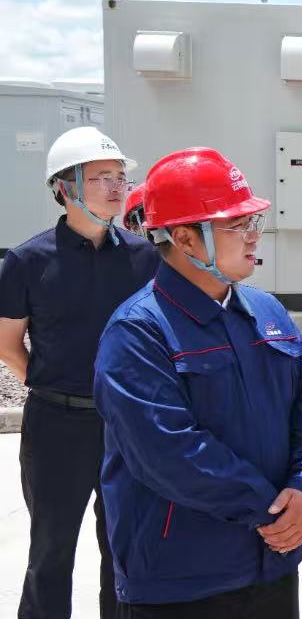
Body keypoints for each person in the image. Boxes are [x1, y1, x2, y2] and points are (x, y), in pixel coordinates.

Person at [93, 147, 302, 617]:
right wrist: (273, 508)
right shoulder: (137, 332)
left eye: (253, 221)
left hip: (271, 562)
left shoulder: (266, 311)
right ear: (185, 239)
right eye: (236, 225)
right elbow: (168, 452)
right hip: (181, 580)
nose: (254, 235)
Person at [0, 127, 158, 619]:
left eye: (120, 177)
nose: (117, 187)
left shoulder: (144, 258)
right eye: (101, 177)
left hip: (123, 425)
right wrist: (51, 384)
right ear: (64, 187)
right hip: (55, 427)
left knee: (124, 548)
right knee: (51, 551)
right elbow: (7, 343)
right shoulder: (27, 261)